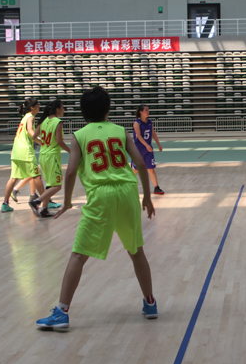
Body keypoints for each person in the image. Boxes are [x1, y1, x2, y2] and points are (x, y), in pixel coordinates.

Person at [36, 86, 157, 329]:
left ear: (83, 112)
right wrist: (146, 197)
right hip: (127, 192)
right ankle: (150, 303)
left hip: (101, 196)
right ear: (108, 109)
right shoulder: (121, 131)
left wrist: (68, 201)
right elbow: (141, 163)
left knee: (78, 255)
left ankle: (61, 312)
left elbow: (71, 171)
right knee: (136, 252)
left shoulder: (79, 135)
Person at [1, 98, 45, 212]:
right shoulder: (30, 117)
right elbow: (30, 130)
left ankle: (5, 204)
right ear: (32, 107)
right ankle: (46, 202)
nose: (39, 106)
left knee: (13, 178)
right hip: (25, 152)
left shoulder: (24, 117)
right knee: (37, 176)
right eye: (37, 105)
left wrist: (34, 142)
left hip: (16, 151)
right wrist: (41, 141)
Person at [28, 99, 71, 218]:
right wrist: (71, 151)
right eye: (62, 107)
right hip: (52, 157)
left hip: (43, 155)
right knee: (57, 186)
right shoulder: (58, 122)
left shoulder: (43, 120)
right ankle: (36, 202)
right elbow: (59, 142)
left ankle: (44, 210)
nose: (63, 110)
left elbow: (34, 137)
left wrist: (42, 143)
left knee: (50, 185)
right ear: (57, 109)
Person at [131, 105, 164, 195]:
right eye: (146, 110)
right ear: (141, 112)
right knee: (135, 170)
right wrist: (146, 145)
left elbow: (153, 133)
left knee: (151, 169)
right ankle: (127, 186)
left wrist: (159, 144)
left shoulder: (150, 122)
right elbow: (139, 136)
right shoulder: (137, 123)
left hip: (148, 150)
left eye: (148, 110)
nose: (148, 112)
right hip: (138, 150)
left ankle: (156, 188)